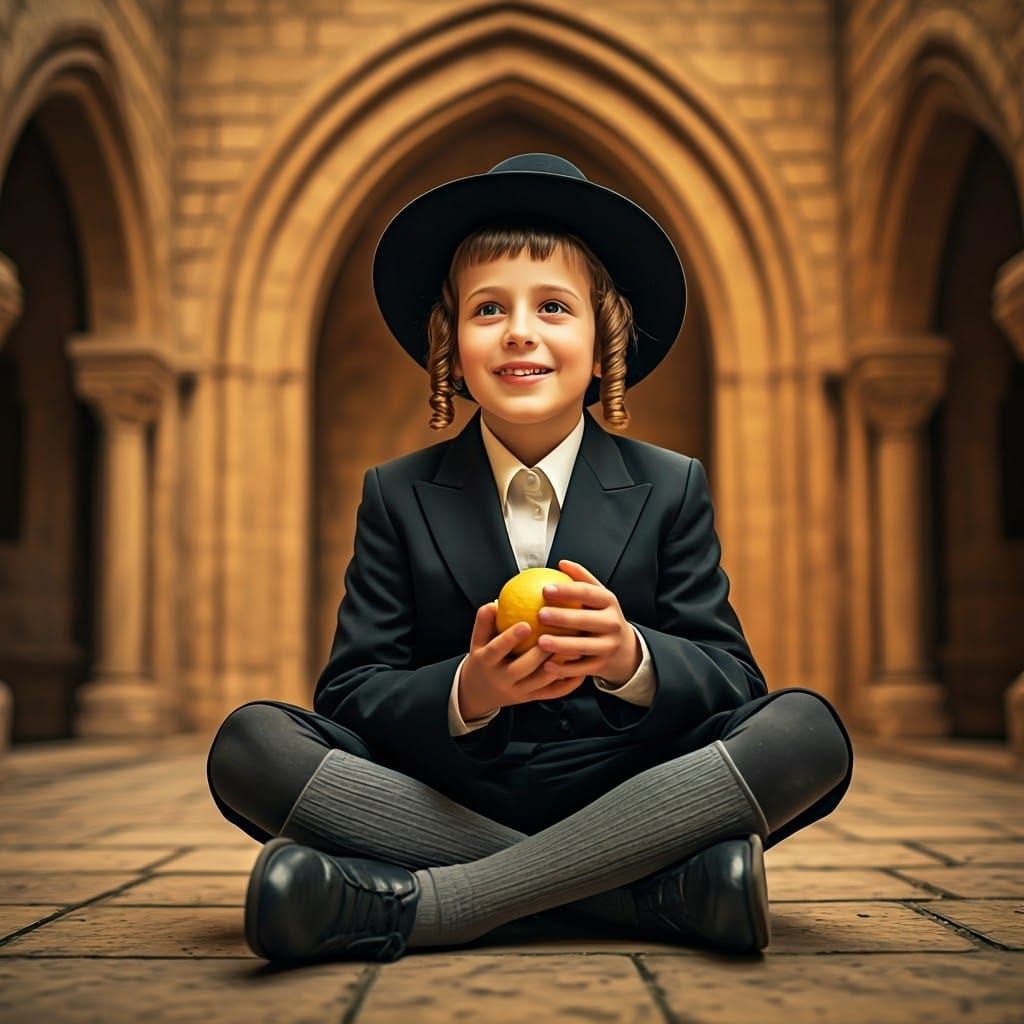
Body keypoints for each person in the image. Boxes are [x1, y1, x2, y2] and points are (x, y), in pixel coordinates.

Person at [206, 152, 854, 965]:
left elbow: (732, 678)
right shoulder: (398, 494)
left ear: (602, 339)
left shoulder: (670, 485)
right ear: (451, 347)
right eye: (488, 310)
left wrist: (632, 659)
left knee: (805, 732)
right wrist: (466, 691)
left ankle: (436, 904)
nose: (520, 330)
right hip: (443, 794)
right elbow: (350, 695)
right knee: (250, 744)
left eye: (553, 306)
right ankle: (651, 895)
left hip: (637, 786)